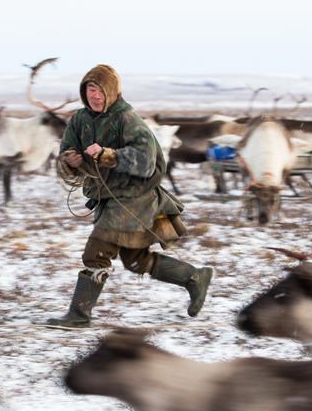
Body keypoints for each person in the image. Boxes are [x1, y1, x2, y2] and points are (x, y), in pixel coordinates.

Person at [45, 64, 213, 329]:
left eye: (100, 90)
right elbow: (66, 151)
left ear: (111, 92)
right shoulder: (79, 120)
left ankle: (79, 315)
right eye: (90, 89)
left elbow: (147, 162)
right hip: (107, 198)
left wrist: (109, 155)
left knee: (96, 253)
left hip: (134, 197)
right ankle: (195, 277)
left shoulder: (128, 119)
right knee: (137, 261)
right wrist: (70, 159)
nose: (95, 95)